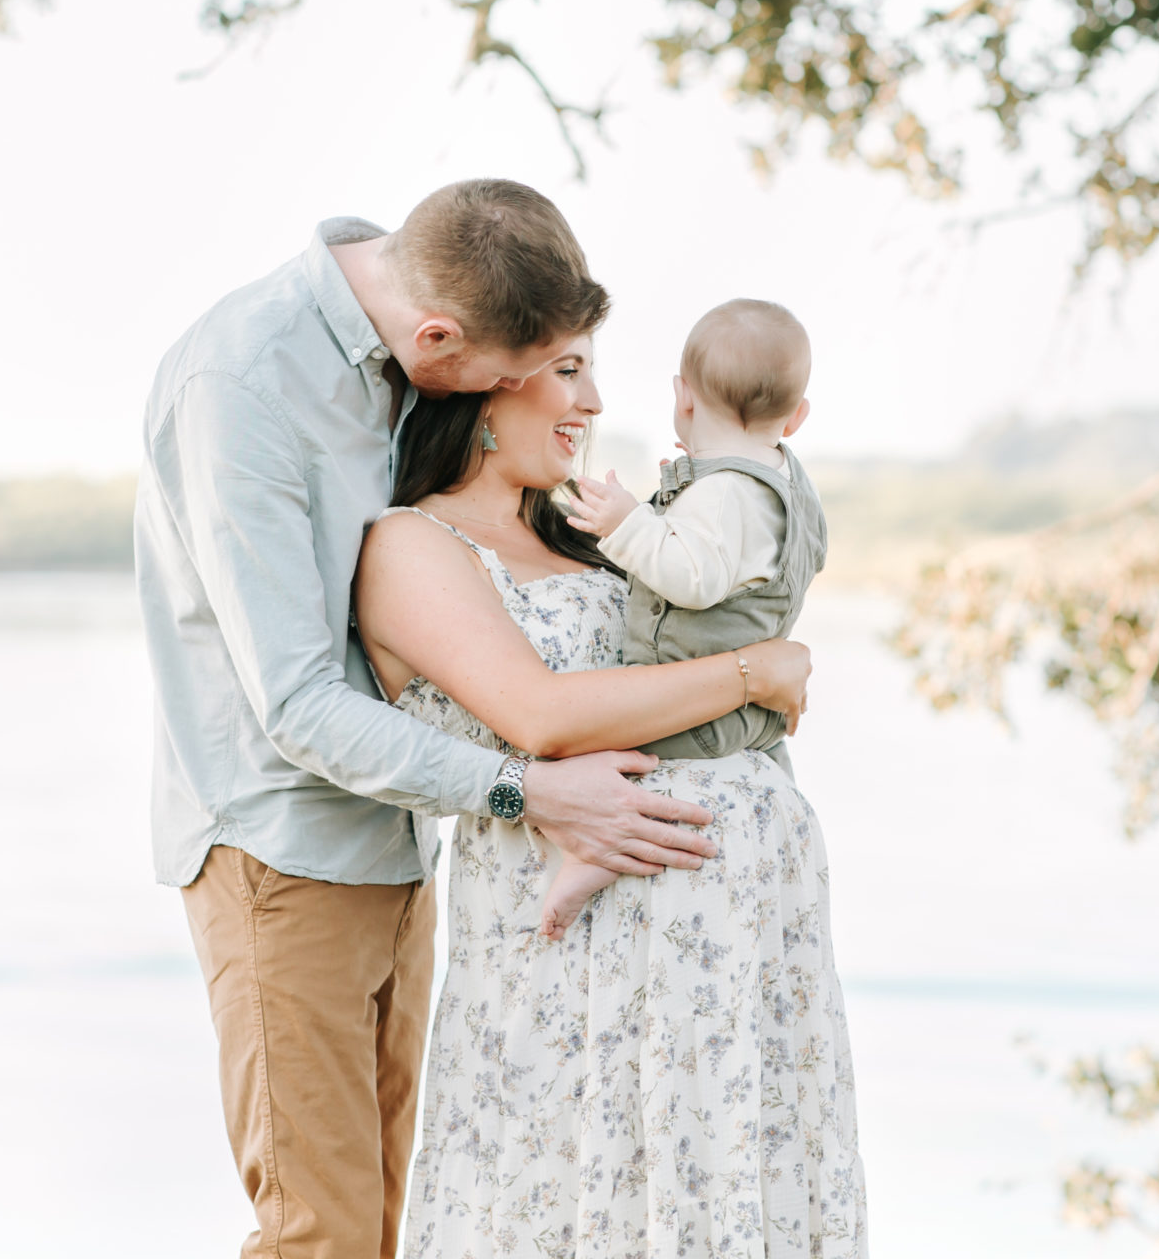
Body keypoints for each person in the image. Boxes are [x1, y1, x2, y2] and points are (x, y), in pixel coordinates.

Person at [138, 180, 813, 1259]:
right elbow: (299, 703)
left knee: (393, 1215)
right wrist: (531, 787)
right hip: (280, 838)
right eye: (529, 373)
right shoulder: (244, 382)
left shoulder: (413, 327)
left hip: (402, 835)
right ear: (445, 345)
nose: (567, 398)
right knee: (324, 1233)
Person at [354, 328, 865, 1259]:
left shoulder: (591, 540)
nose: (593, 402)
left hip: (732, 950)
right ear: (479, 388)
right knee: (571, 1199)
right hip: (569, 965)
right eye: (566, 370)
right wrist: (760, 670)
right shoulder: (413, 544)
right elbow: (544, 716)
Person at [543, 296, 826, 939]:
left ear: (685, 397)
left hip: (690, 705)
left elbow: (690, 579)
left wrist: (626, 523)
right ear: (797, 415)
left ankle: (592, 855)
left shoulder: (726, 492)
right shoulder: (784, 482)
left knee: (613, 747)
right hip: (744, 717)